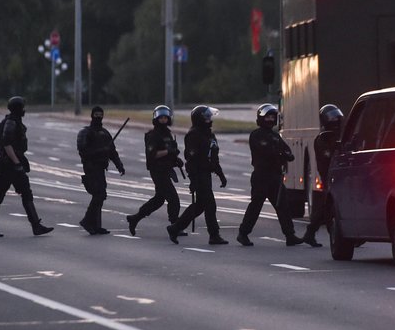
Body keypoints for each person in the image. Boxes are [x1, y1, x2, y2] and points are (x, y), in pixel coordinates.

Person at [0, 96, 53, 238]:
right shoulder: (11, 123)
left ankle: (35, 225)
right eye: (22, 107)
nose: (24, 110)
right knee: (2, 193)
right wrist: (16, 163)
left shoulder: (14, 121)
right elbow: (7, 144)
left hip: (12, 163)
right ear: (18, 108)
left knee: (22, 193)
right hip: (10, 165)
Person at [236, 104, 304, 247]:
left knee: (283, 206)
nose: (270, 119)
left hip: (275, 176)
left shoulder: (275, 136)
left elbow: (287, 152)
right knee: (256, 206)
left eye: (273, 117)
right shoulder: (256, 135)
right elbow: (266, 150)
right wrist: (279, 153)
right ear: (261, 118)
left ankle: (290, 235)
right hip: (261, 176)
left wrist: (283, 154)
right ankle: (243, 233)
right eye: (268, 116)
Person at [166, 105, 228, 245]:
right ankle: (214, 235)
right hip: (199, 174)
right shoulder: (194, 135)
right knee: (210, 205)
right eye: (206, 117)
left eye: (209, 117)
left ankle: (175, 228)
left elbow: (213, 157)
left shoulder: (209, 134)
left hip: (207, 173)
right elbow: (191, 160)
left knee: (200, 205)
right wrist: (193, 180)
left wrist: (220, 174)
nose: (209, 119)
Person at [126, 105, 186, 237]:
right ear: (156, 119)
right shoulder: (152, 135)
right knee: (173, 199)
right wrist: (168, 152)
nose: (164, 120)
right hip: (157, 170)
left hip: (166, 169)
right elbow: (153, 154)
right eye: (161, 118)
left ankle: (135, 218)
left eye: (166, 118)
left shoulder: (168, 134)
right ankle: (174, 225)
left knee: (159, 199)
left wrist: (175, 159)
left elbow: (170, 151)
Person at [77, 106, 125, 235]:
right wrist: (100, 151)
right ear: (92, 115)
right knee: (99, 195)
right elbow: (83, 151)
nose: (98, 116)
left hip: (101, 168)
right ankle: (87, 220)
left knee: (100, 195)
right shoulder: (86, 133)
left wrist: (119, 165)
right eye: (96, 114)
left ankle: (96, 225)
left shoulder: (105, 133)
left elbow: (113, 152)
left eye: (100, 114)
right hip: (91, 167)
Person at [302, 104, 344, 246]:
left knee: (329, 206)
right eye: (333, 118)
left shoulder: (334, 137)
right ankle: (312, 232)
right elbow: (327, 155)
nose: (336, 121)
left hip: (335, 173)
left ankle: (313, 233)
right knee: (327, 205)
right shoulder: (322, 139)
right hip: (328, 173)